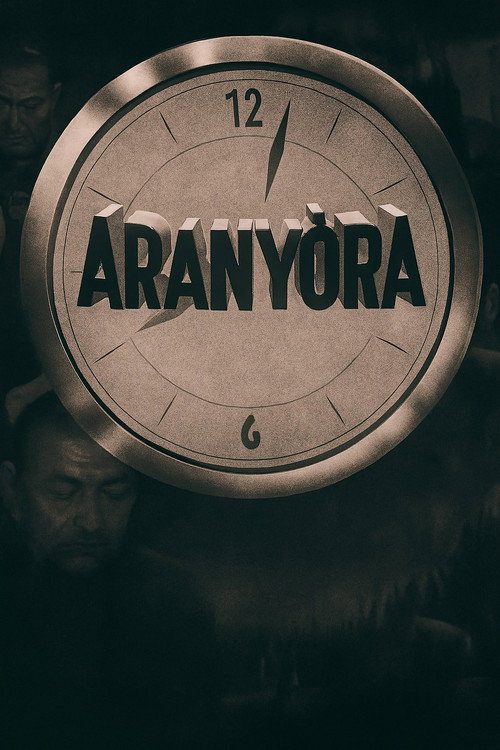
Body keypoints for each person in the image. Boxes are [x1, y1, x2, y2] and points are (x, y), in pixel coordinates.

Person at [0, 389, 217, 748]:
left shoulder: (174, 604)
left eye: (114, 493)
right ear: (12, 491)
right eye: (62, 492)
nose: (91, 522)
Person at [0, 40, 61, 393]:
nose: (12, 122)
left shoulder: (75, 177)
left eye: (29, 106)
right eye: (1, 103)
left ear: (54, 98)